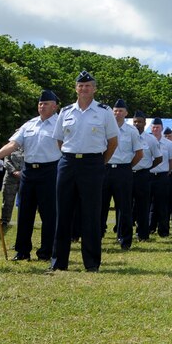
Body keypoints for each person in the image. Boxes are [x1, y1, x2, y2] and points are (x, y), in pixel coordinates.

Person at [49, 71, 119, 273]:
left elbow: (113, 142)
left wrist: (99, 163)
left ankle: (91, 263)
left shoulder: (104, 112)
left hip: (93, 164)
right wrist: (69, 157)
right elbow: (60, 140)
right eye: (80, 85)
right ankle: (58, 262)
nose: (84, 89)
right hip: (68, 162)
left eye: (88, 85)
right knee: (63, 213)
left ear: (94, 89)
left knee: (91, 214)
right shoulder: (66, 111)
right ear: (76, 88)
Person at [0, 89, 62, 261]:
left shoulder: (61, 124)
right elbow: (13, 144)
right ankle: (22, 251)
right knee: (25, 213)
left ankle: (46, 251)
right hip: (29, 171)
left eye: (46, 104)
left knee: (49, 214)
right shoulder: (29, 125)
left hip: (50, 171)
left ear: (55, 107)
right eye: (40, 104)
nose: (42, 106)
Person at [102, 99, 143, 250]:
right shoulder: (104, 128)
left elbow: (139, 153)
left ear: (126, 113)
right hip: (105, 170)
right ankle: (98, 235)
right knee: (101, 205)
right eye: (115, 110)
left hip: (123, 170)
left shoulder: (131, 131)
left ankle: (125, 239)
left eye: (121, 111)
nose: (117, 113)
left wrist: (127, 167)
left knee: (124, 207)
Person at [131, 111, 163, 242]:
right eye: (135, 122)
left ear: (145, 123)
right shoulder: (127, 136)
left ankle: (143, 234)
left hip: (143, 175)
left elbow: (159, 158)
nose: (137, 124)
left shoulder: (151, 139)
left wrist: (147, 167)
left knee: (143, 205)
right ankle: (123, 233)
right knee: (125, 205)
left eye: (139, 122)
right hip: (127, 174)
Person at [0, 149, 24, 225]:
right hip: (10, 179)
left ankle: (24, 222)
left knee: (25, 201)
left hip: (24, 177)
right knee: (7, 200)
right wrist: (14, 171)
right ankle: (5, 221)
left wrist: (22, 172)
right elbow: (6, 162)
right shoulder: (10, 148)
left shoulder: (29, 147)